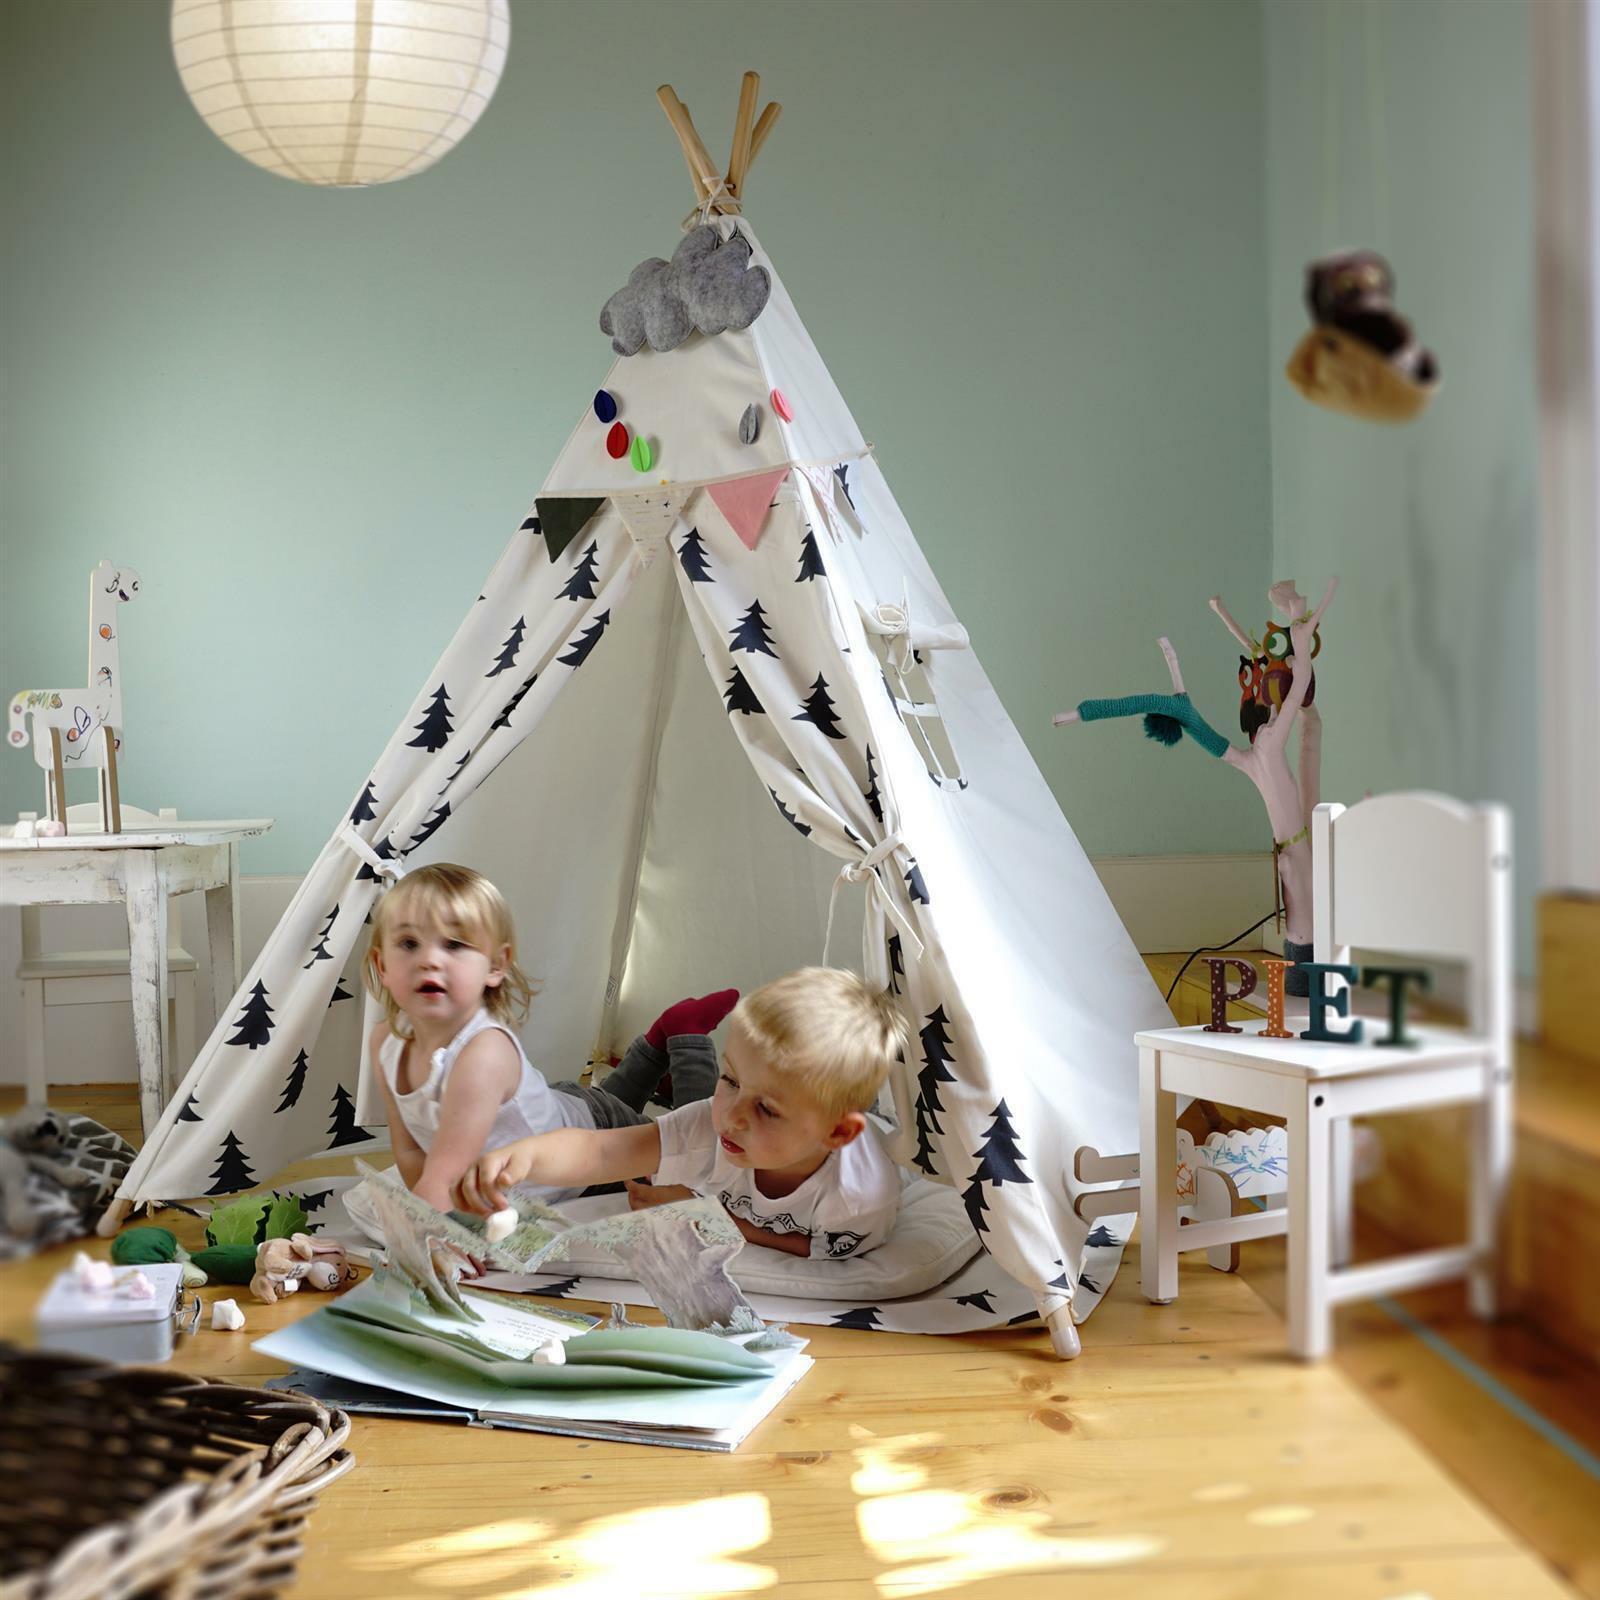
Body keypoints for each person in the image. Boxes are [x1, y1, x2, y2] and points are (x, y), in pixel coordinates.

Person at [455, 967, 910, 1259]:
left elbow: (813, 1245)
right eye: (729, 1079)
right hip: (733, 1148)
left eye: (767, 1109)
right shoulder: (712, 1127)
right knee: (693, 1114)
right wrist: (526, 1157)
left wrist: (710, 1215)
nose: (733, 1116)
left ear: (835, 1132)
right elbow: (601, 1152)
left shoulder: (859, 1198)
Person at [363, 862, 735, 1212]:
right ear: (383, 966)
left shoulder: (482, 1054)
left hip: (586, 1146)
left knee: (696, 1149)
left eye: (454, 945)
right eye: (409, 943)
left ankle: (686, 1036)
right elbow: (413, 1154)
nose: (429, 959)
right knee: (603, 1102)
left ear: (495, 966)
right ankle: (656, 1041)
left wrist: (433, 1232)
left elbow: (443, 1175)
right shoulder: (386, 1043)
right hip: (561, 1112)